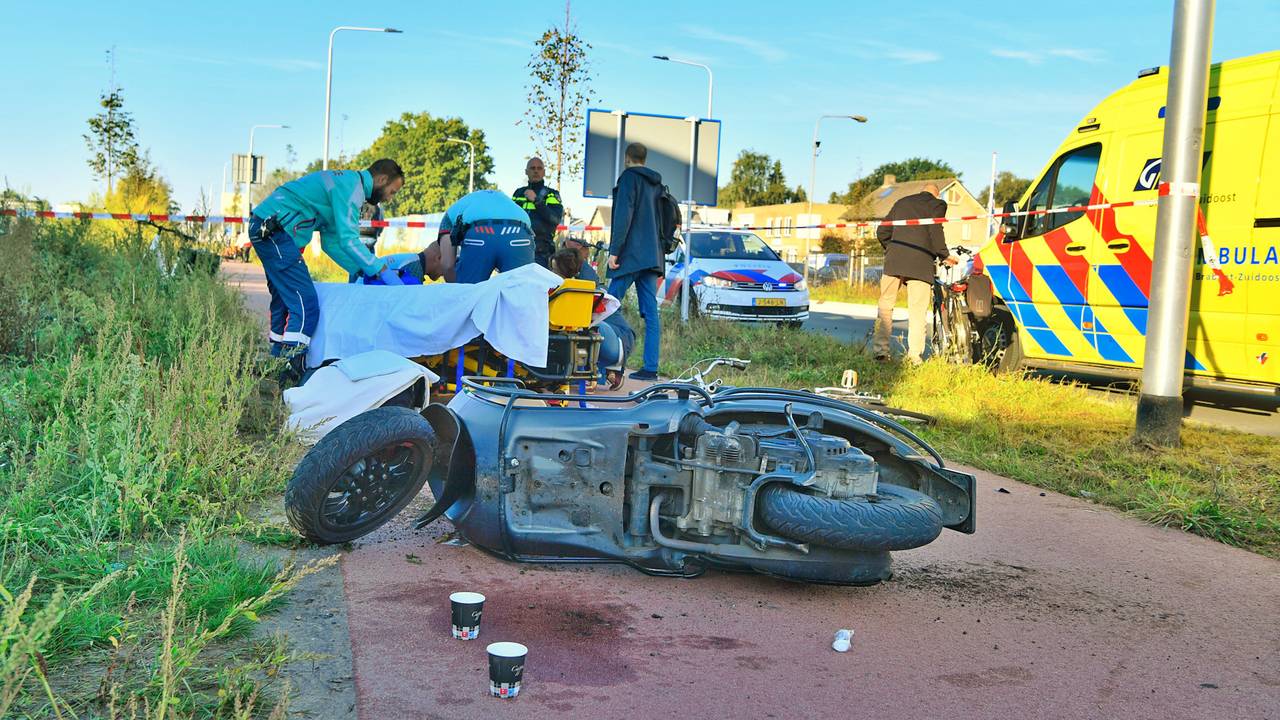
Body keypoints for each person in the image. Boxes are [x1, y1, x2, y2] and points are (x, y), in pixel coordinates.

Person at [250, 158, 405, 362]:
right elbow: (348, 240)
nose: (390, 199)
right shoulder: (352, 189)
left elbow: (331, 243)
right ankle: (290, 365)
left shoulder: (346, 184)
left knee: (284, 298)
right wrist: (381, 269)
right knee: (306, 304)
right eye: (392, 192)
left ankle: (275, 357)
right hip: (274, 231)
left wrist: (360, 270)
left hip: (268, 227)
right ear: (382, 179)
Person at [873, 182, 958, 364]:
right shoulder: (937, 204)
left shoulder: (902, 202)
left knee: (885, 306)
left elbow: (882, 231)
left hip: (894, 260)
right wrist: (944, 255)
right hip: (920, 263)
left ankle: (881, 352)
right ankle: (914, 357)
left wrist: (893, 249)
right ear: (937, 194)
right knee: (917, 310)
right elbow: (935, 230)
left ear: (922, 191)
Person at [606, 142, 664, 382]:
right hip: (652, 256)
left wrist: (614, 251)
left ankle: (608, 364)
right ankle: (650, 368)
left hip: (630, 256)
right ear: (644, 158)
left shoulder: (629, 178)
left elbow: (624, 216)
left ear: (626, 158)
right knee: (651, 314)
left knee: (606, 307)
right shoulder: (656, 183)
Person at [551, 247, 634, 390]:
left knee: (581, 324)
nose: (552, 272)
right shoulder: (581, 282)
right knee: (575, 325)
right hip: (612, 339)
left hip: (617, 342)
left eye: (555, 269)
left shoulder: (583, 288)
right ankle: (599, 371)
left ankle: (593, 373)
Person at [437, 189, 535, 284]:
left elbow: (447, 265)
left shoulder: (448, 217)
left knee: (470, 291)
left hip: (481, 233)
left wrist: (456, 288)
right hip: (520, 233)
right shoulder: (504, 200)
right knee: (521, 290)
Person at [511, 157, 564, 268]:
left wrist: (536, 201)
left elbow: (555, 219)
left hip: (542, 252)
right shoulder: (518, 193)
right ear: (526, 172)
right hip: (517, 248)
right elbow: (511, 218)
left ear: (544, 172)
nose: (536, 171)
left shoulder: (551, 194)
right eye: (532, 168)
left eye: (539, 168)